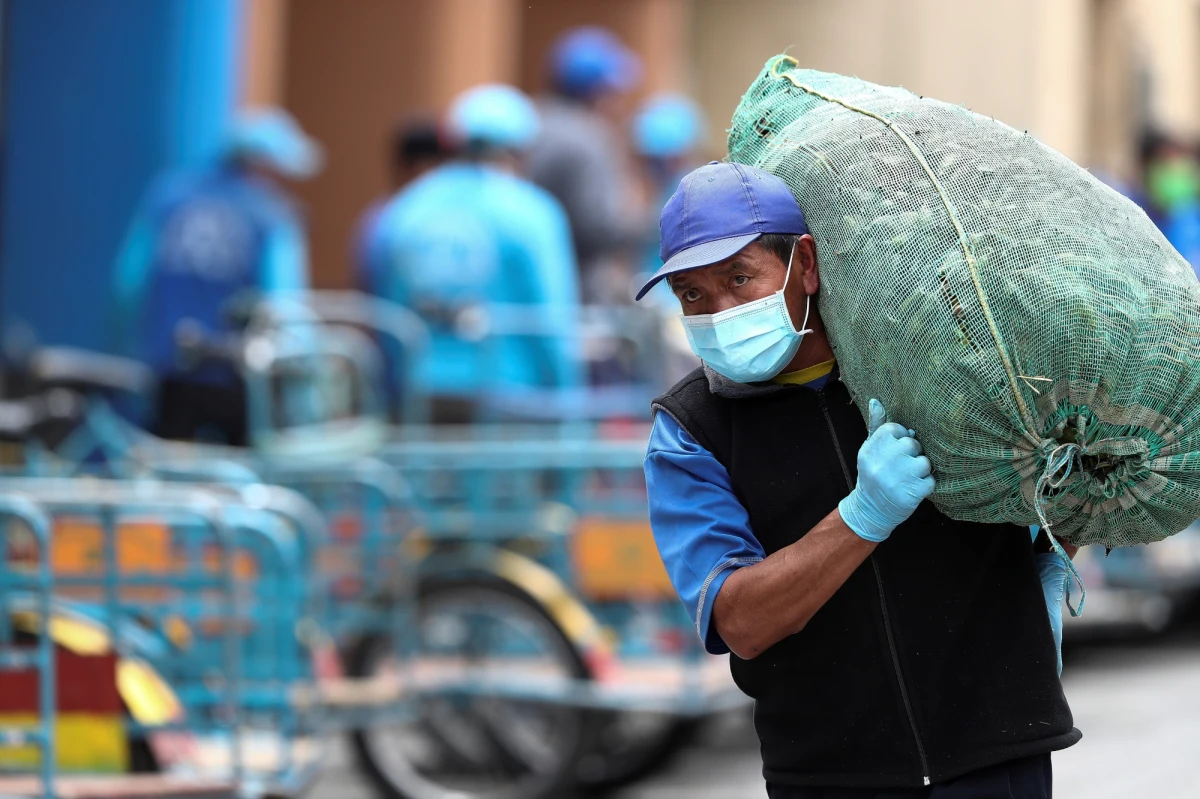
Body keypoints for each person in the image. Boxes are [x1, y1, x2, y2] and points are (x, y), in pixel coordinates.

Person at [636, 161, 1079, 797]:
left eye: (739, 278)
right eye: (693, 295)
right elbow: (739, 620)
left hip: (995, 749)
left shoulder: (931, 363)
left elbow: (1070, 457)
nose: (720, 311)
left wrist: (1056, 552)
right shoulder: (689, 432)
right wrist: (861, 517)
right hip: (830, 774)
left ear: (805, 265)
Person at [365, 84, 581, 423]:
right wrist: (568, 406)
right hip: (511, 395)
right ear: (521, 149)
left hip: (421, 393)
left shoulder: (403, 210)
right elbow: (550, 319)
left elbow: (386, 308)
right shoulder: (532, 212)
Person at [112, 107, 322, 444]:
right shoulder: (270, 216)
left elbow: (127, 283)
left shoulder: (168, 196)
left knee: (168, 479)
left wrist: (131, 352)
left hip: (170, 373)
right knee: (237, 483)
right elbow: (288, 304)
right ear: (259, 165)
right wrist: (306, 393)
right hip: (241, 377)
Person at [526, 26, 643, 304]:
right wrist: (640, 220)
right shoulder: (588, 136)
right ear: (598, 91)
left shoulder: (532, 119)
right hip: (575, 290)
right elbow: (600, 227)